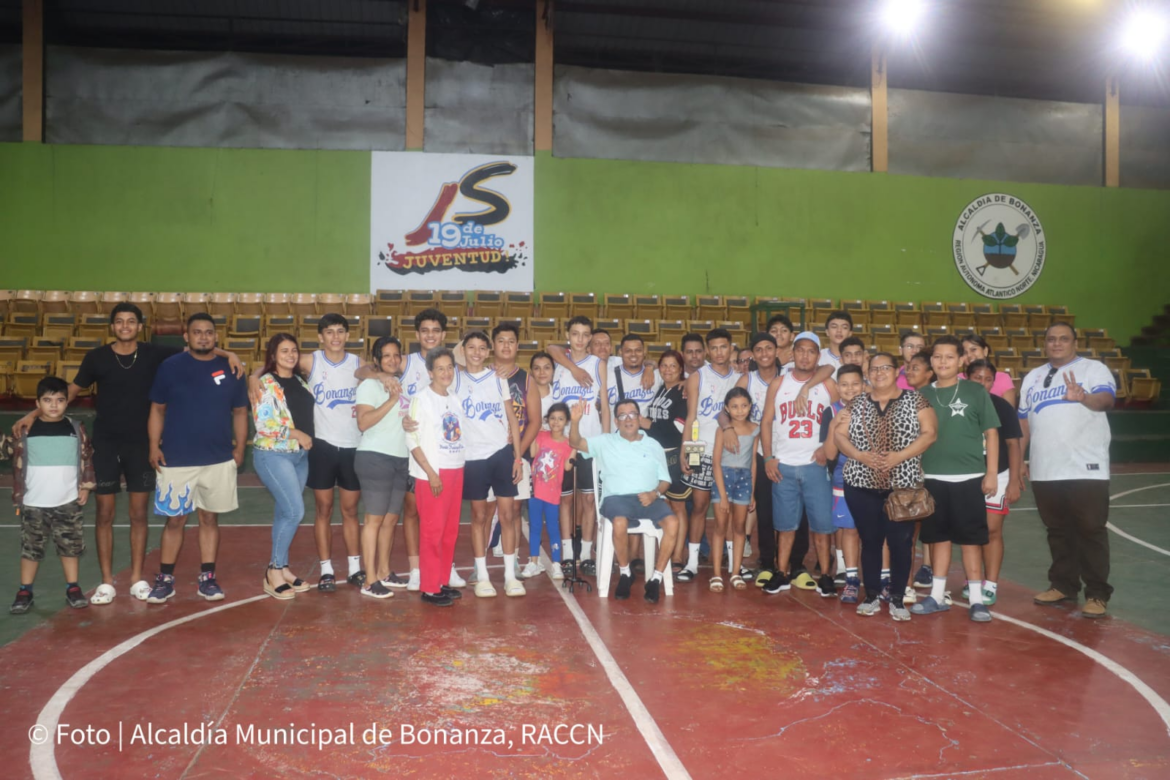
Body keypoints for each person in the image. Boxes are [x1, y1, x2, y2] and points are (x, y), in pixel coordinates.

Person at [11, 302, 242, 605]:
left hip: (140, 445)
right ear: (112, 326)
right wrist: (33, 413)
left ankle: (137, 578)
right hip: (107, 443)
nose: (125, 326)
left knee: (139, 515)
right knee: (105, 514)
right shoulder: (97, 358)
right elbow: (70, 392)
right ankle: (107, 582)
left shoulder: (155, 354)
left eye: (131, 321)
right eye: (119, 321)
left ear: (139, 326)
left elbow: (202, 350)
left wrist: (231, 354)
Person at [146, 313, 248, 603]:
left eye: (208, 332)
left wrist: (240, 448)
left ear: (216, 337)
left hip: (217, 457)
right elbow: (157, 409)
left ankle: (207, 577)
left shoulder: (231, 369)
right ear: (186, 337)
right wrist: (154, 445)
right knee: (175, 520)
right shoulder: (170, 367)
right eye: (197, 332)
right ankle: (165, 578)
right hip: (177, 458)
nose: (203, 336)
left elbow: (240, 412)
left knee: (208, 518)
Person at [1019, 322, 1116, 618]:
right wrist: (1018, 461)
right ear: (1044, 344)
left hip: (1085, 467)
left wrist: (1083, 397)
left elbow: (1106, 401)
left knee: (1090, 530)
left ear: (1075, 342)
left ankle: (1097, 594)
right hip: (1045, 468)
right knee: (1057, 531)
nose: (1057, 343)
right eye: (1051, 339)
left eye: (1063, 339)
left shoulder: (1093, 369)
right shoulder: (1033, 377)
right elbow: (1023, 422)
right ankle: (1063, 585)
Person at [834, 352, 937, 620]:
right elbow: (838, 435)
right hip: (860, 483)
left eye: (885, 368)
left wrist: (898, 457)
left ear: (896, 372)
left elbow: (930, 434)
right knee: (869, 542)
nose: (879, 373)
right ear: (867, 373)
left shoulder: (916, 399)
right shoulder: (856, 403)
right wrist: (859, 455)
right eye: (874, 368)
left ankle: (897, 599)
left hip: (902, 486)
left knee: (901, 543)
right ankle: (869, 597)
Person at [912, 335, 1000, 623]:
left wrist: (990, 473)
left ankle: (976, 599)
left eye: (949, 357)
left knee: (971, 541)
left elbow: (991, 433)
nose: (943, 362)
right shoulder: (922, 393)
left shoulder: (975, 391)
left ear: (962, 360)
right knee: (938, 539)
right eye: (937, 357)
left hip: (970, 478)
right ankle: (937, 595)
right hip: (933, 478)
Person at [569, 399, 679, 603]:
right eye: (622, 416)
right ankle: (626, 573)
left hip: (649, 497)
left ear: (639, 418)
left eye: (632, 414)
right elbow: (576, 443)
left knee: (672, 522)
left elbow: (665, 480)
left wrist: (654, 494)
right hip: (616, 498)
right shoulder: (605, 441)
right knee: (619, 522)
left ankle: (655, 579)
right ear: (616, 421)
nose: (628, 419)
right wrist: (575, 422)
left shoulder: (653, 444)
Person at [761, 332, 840, 597]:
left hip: (815, 465)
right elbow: (766, 422)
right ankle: (781, 572)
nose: (805, 356)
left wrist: (827, 446)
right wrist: (769, 457)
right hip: (783, 465)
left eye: (811, 351)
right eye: (800, 350)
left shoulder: (828, 384)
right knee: (784, 526)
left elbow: (843, 415)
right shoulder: (779, 383)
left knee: (822, 526)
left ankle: (826, 575)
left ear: (818, 355)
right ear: (792, 354)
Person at [8, 377, 95, 614]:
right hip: (33, 502)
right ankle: (25, 590)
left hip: (67, 501)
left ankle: (73, 588)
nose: (54, 405)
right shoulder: (25, 429)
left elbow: (87, 458)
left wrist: (86, 486)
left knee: (70, 547)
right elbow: (11, 454)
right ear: (37, 403)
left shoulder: (76, 428)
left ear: (68, 402)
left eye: (59, 400)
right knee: (31, 549)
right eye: (47, 400)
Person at [536, 316, 610, 577]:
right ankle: (567, 552)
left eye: (585, 334)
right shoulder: (560, 362)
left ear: (590, 338)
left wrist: (607, 438)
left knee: (589, 499)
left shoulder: (598, 364)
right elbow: (551, 349)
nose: (580, 339)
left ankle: (587, 552)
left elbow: (605, 402)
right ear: (568, 335)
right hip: (562, 444)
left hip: (590, 442)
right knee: (564, 500)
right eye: (575, 334)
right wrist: (575, 370)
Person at [455, 331, 526, 598]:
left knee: (506, 516)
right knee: (479, 516)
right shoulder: (455, 380)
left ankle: (509, 575)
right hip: (472, 457)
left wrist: (517, 457)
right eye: (470, 347)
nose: (476, 352)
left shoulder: (498, 379)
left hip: (501, 454)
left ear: (488, 352)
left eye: (481, 348)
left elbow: (513, 421)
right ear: (462, 350)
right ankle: (482, 575)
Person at [251, 334, 315, 601]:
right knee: (294, 511)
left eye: (294, 350)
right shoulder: (265, 384)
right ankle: (273, 571)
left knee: (284, 512)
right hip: (273, 454)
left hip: (298, 457)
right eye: (284, 351)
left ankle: (283, 568)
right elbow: (264, 425)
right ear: (273, 355)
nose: (290, 355)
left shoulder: (300, 381)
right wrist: (296, 433)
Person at [407, 347, 466, 607]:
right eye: (440, 368)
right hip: (433, 473)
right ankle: (429, 587)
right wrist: (431, 473)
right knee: (432, 530)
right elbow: (412, 438)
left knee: (449, 531)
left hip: (456, 469)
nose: (446, 372)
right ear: (430, 372)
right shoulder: (421, 398)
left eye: (449, 367)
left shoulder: (454, 397)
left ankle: (442, 580)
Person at [678, 328, 739, 582]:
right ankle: (692, 562)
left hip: (731, 451)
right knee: (700, 506)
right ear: (707, 351)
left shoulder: (740, 378)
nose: (718, 352)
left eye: (723, 347)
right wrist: (685, 449)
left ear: (731, 348)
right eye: (713, 348)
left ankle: (734, 564)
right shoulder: (698, 377)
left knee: (733, 508)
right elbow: (691, 416)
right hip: (700, 448)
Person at [353, 336, 411, 600]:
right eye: (386, 355)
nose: (392, 360)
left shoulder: (403, 386)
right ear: (377, 360)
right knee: (373, 520)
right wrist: (390, 400)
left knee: (390, 520)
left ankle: (385, 571)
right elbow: (363, 423)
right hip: (375, 458)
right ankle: (370, 579)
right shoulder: (369, 386)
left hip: (400, 458)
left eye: (396, 355)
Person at [963, 359, 1023, 606]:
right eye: (978, 377)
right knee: (971, 531)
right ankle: (973, 578)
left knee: (992, 530)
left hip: (998, 475)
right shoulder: (959, 406)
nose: (984, 383)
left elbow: (1013, 444)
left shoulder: (1001, 407)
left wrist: (1014, 481)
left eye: (988, 379)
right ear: (967, 378)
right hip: (965, 476)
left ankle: (992, 583)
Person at [643, 350, 692, 567]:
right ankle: (668, 549)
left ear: (681, 368)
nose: (668, 370)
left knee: (678, 506)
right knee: (667, 505)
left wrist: (647, 425)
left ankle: (678, 554)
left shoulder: (683, 392)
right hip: (657, 457)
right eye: (664, 365)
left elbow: (680, 429)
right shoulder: (662, 388)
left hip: (674, 454)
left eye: (673, 366)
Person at [821, 363, 865, 603]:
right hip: (844, 479)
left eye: (855, 384)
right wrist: (834, 426)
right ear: (837, 387)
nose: (850, 389)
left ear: (864, 384)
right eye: (845, 385)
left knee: (876, 531)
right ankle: (851, 579)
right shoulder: (831, 411)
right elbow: (828, 454)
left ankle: (882, 578)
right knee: (849, 530)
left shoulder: (875, 406)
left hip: (873, 479)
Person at [710, 387, 758, 591]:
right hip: (724, 477)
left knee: (739, 528)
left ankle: (735, 571)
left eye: (744, 406)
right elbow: (716, 462)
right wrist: (721, 494)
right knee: (721, 527)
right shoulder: (722, 430)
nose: (740, 410)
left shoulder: (755, 429)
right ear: (727, 409)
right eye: (735, 407)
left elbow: (753, 461)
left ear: (750, 407)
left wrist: (752, 492)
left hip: (744, 480)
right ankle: (716, 574)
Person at [526, 402, 573, 580]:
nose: (556, 422)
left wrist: (574, 448)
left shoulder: (568, 443)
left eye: (560, 419)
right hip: (535, 491)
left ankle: (556, 564)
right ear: (547, 420)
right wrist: (533, 432)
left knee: (553, 527)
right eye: (552, 418)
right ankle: (533, 562)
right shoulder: (541, 436)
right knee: (535, 526)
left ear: (566, 421)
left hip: (553, 493)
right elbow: (532, 454)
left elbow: (568, 467)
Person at [607, 333, 661, 418]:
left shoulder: (656, 375)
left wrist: (650, 367)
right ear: (620, 352)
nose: (633, 354)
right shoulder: (608, 375)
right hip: (616, 430)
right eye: (628, 351)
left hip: (645, 430)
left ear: (644, 351)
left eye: (638, 350)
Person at [960, 334, 1018, 406]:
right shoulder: (957, 379)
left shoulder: (1003, 378)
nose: (969, 355)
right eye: (965, 353)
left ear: (985, 351)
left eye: (973, 350)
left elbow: (1009, 412)